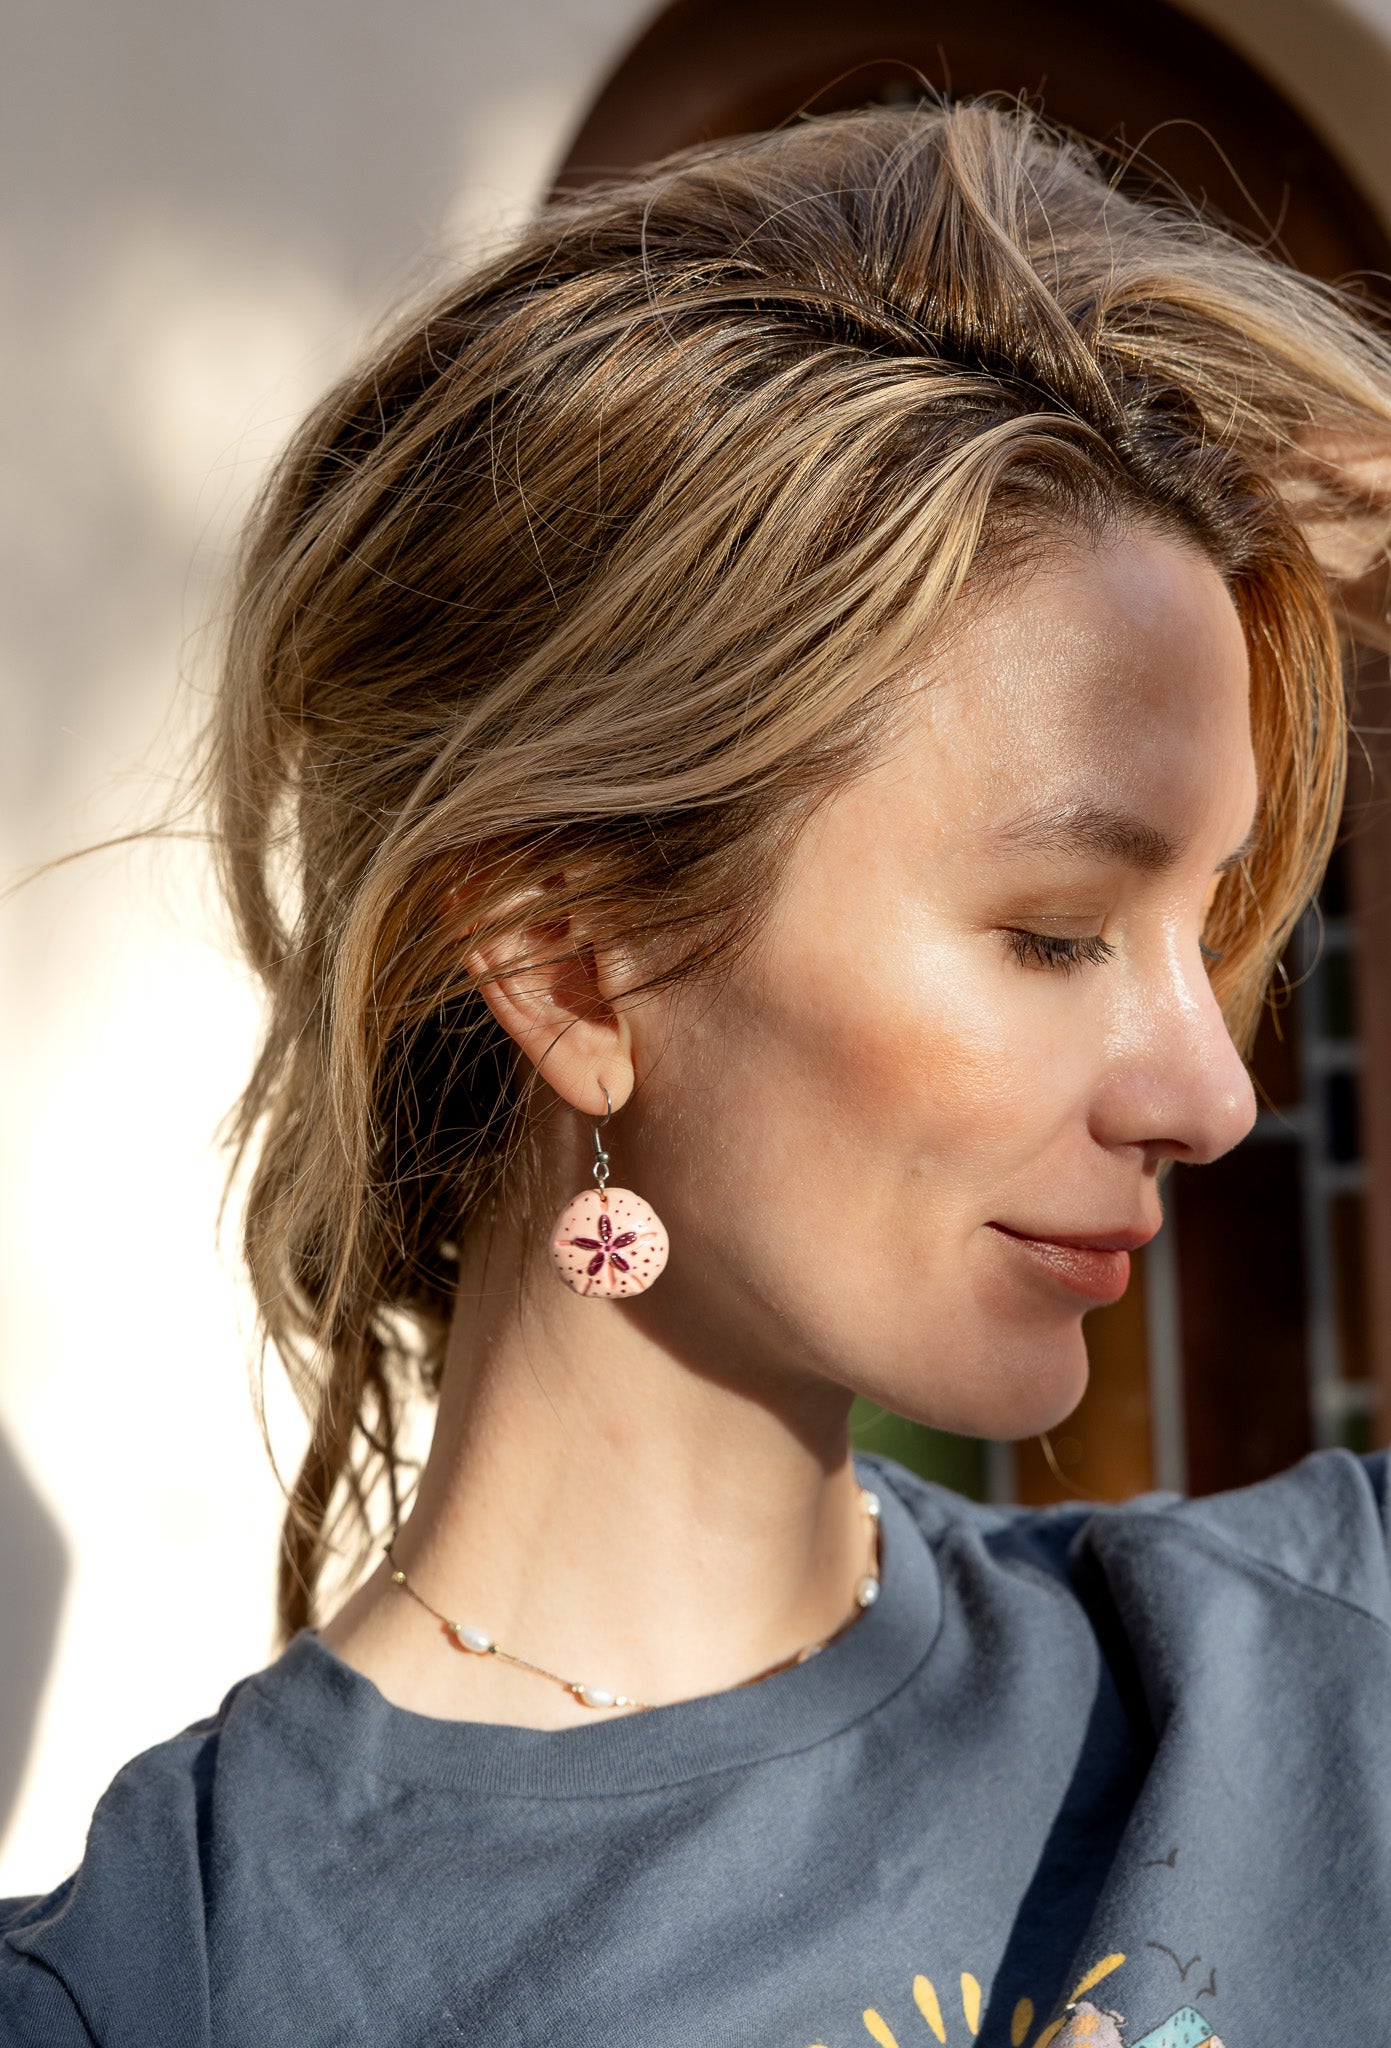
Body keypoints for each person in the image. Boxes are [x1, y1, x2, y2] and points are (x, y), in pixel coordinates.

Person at [4, 98, 1391, 2048]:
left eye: (1215, 922)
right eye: (1062, 932)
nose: (1212, 1091)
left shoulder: (1333, 1662)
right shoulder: (166, 1995)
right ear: (575, 961)